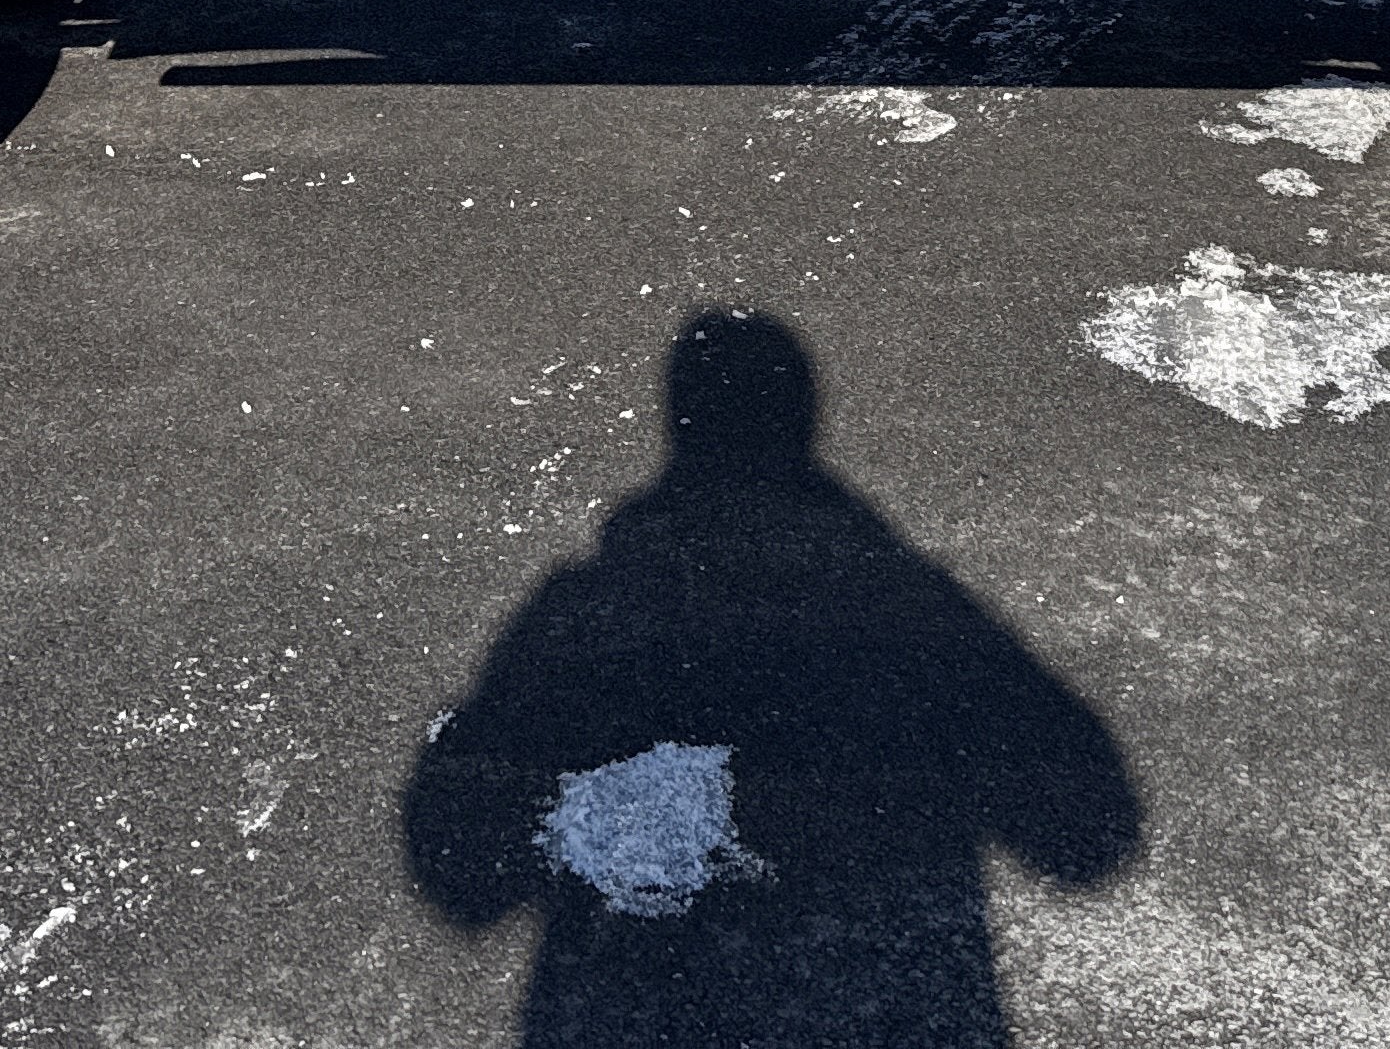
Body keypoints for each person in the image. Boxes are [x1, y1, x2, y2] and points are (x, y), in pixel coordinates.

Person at [403, 312, 1139, 1047]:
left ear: (680, 426)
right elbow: (1090, 833)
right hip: (875, 1016)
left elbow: (462, 873)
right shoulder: (906, 612)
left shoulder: (593, 614)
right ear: (802, 424)